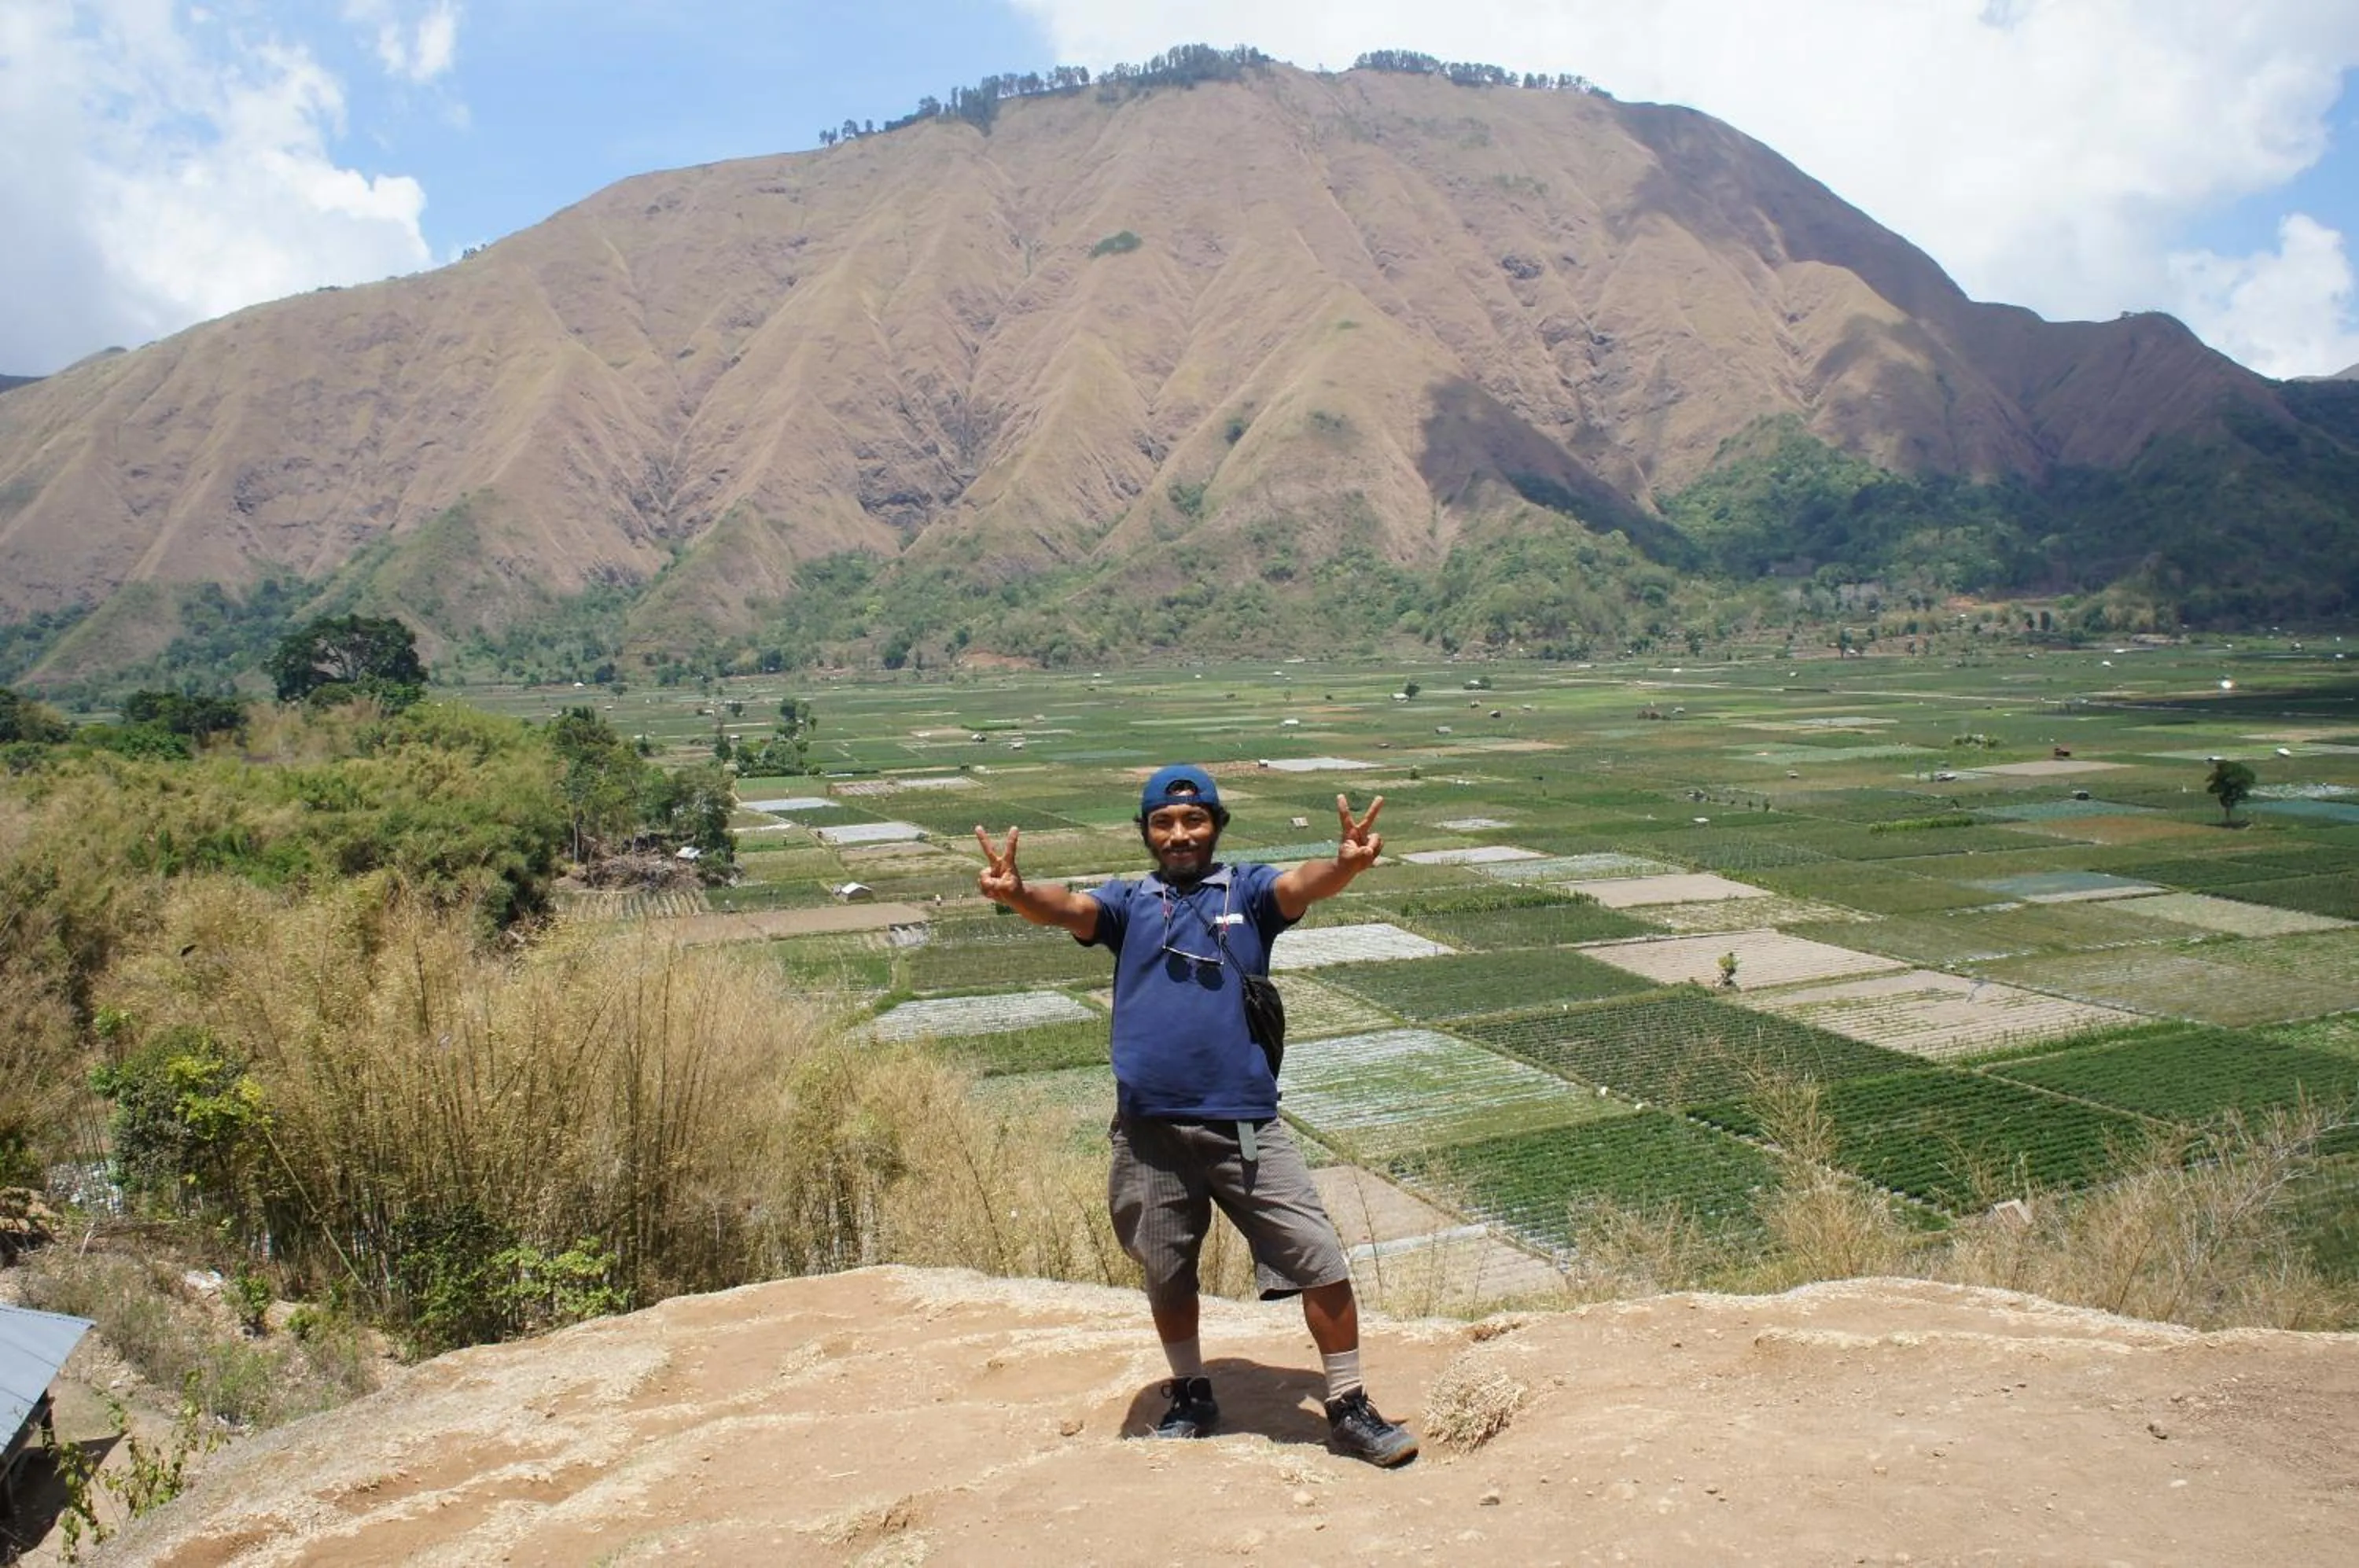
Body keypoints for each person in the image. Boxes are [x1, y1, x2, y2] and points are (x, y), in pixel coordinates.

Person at [974, 764, 1419, 1467]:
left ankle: (1348, 1404)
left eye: (1194, 820)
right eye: (1164, 822)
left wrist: (1344, 867)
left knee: (1318, 1257)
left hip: (1243, 1121)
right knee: (1166, 1270)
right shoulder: (1126, 905)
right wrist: (1019, 893)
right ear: (1148, 832)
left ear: (1215, 826)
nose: (1179, 834)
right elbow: (1067, 909)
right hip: (1149, 1129)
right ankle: (1190, 1391)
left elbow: (1299, 886)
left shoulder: (1245, 891)